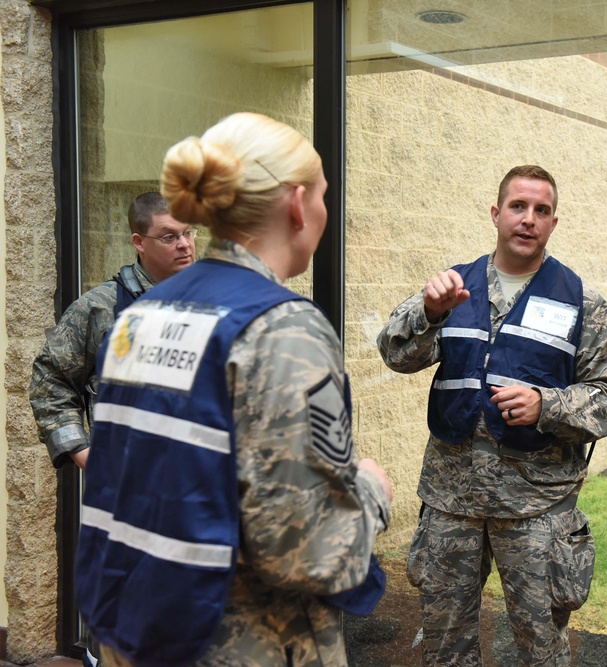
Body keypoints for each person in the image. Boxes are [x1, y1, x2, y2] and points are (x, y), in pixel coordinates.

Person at [74, 112, 393, 667]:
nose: (324, 211)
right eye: (323, 196)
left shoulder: (140, 314)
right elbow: (306, 548)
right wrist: (371, 492)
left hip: (136, 629)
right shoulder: (282, 327)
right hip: (241, 643)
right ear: (298, 204)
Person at [378, 164, 607, 666]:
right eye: (518, 206)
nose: (528, 219)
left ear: (553, 223)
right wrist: (428, 314)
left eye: (542, 210)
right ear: (496, 213)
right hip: (452, 503)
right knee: (445, 648)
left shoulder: (581, 301)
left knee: (541, 651)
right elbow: (394, 352)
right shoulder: (453, 289)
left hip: (536, 510)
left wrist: (548, 405)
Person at [30, 191, 196, 470]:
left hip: (205, 485)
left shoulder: (216, 302)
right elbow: (51, 380)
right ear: (138, 242)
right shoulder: (100, 308)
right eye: (169, 237)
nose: (185, 245)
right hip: (129, 486)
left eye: (188, 233)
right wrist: (81, 451)